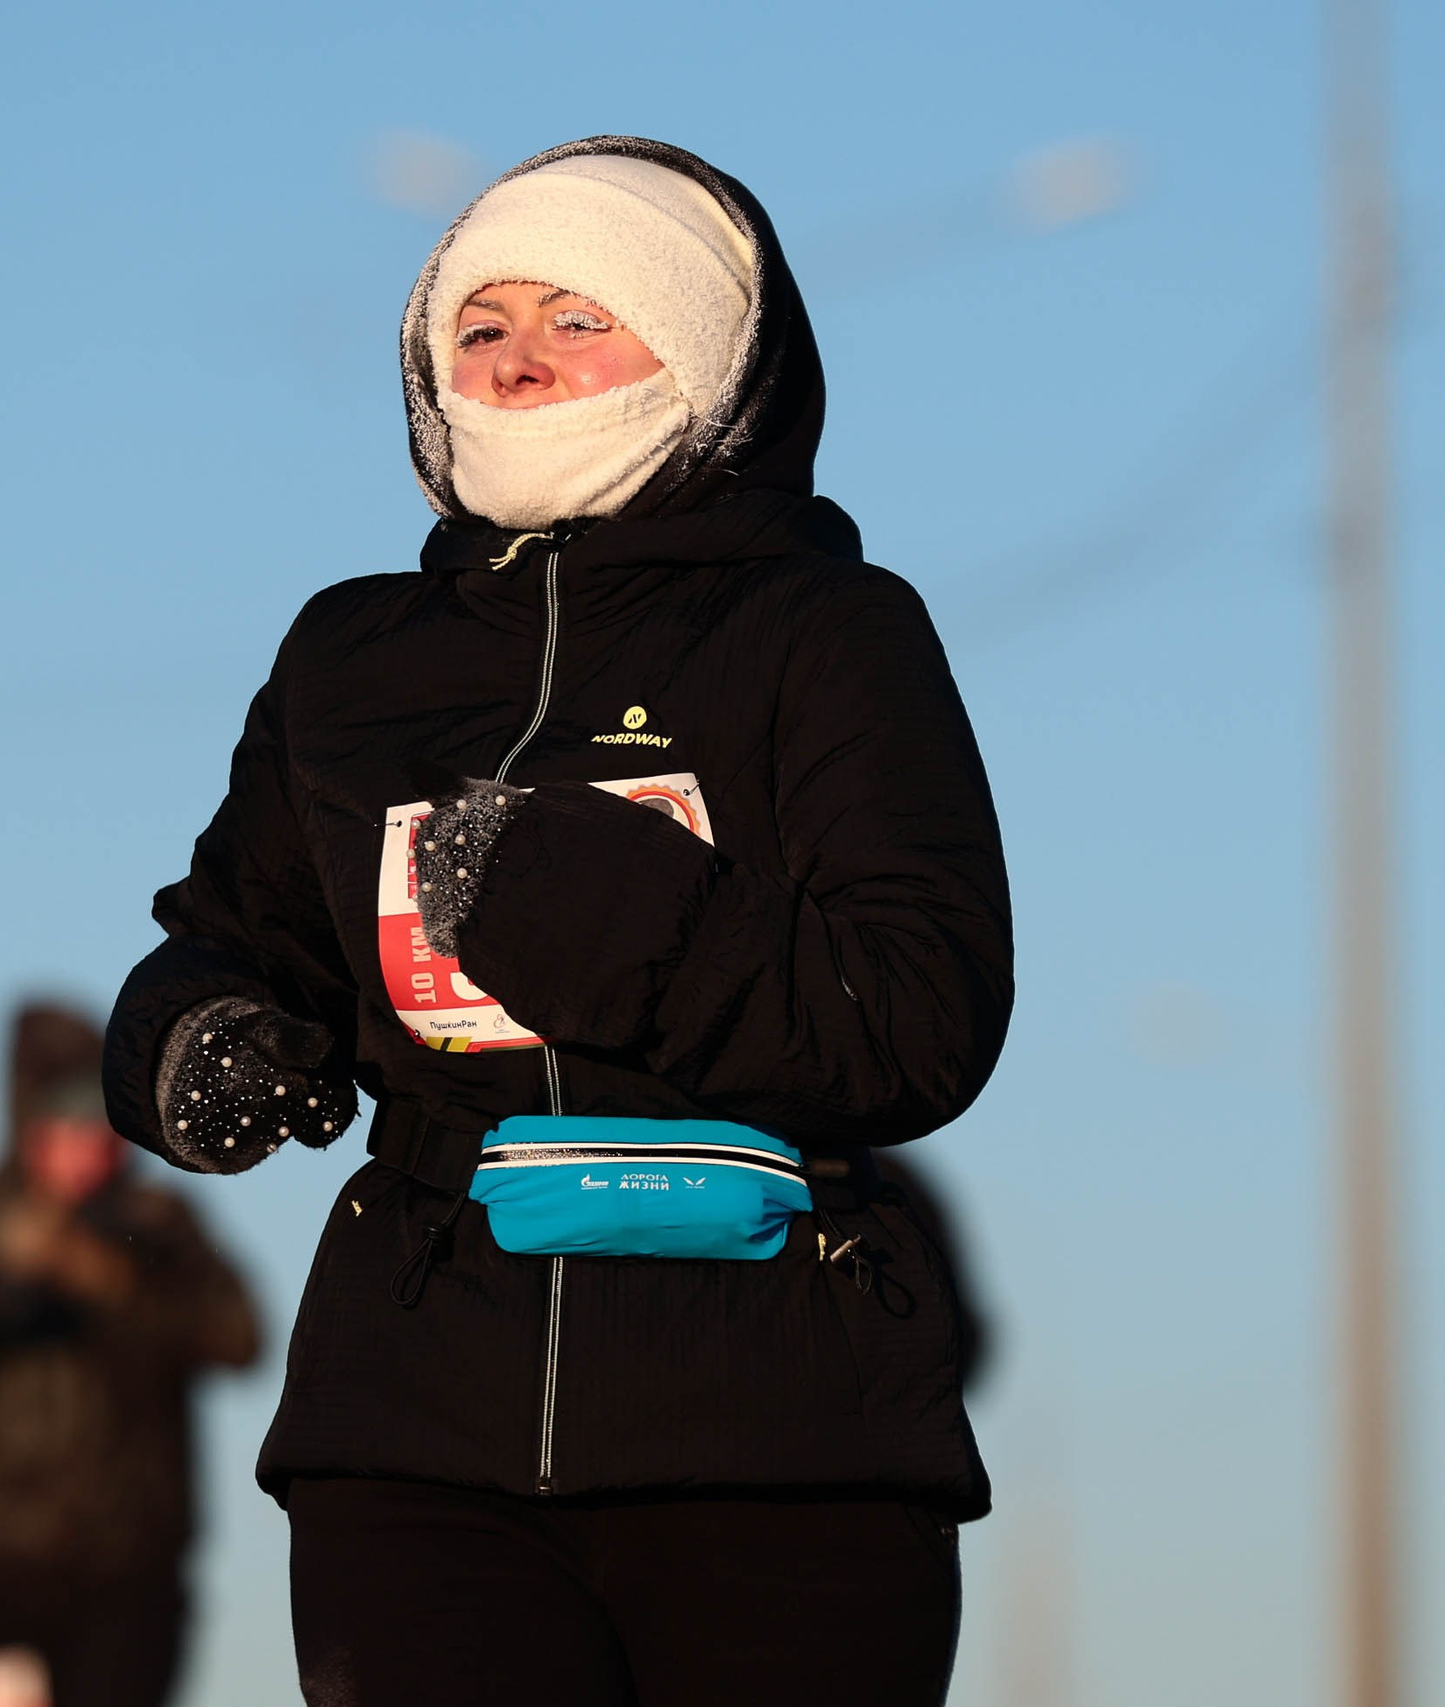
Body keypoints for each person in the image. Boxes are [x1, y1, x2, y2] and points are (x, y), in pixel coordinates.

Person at [103, 138, 1013, 1707]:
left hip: (779, 1433)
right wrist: (199, 1037)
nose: (520, 357)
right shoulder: (349, 655)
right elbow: (241, 933)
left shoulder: (830, 632)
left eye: (582, 316)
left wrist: (591, 906)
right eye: (481, 323)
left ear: (714, 353)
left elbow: (917, 1014)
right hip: (416, 1433)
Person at [0, 1003, 261, 1707]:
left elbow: (239, 1339)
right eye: (67, 1116)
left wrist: (109, 1280)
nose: (91, 1142)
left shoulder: (160, 1230)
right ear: (25, 1123)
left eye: (106, 1118)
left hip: (131, 1580)